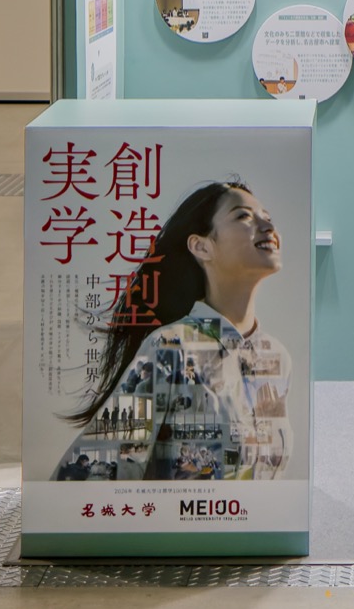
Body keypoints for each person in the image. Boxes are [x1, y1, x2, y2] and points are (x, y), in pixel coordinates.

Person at [56, 181, 292, 482]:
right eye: (243, 216)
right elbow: (91, 473)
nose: (268, 226)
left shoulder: (277, 358)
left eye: (267, 217)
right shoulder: (170, 349)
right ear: (202, 246)